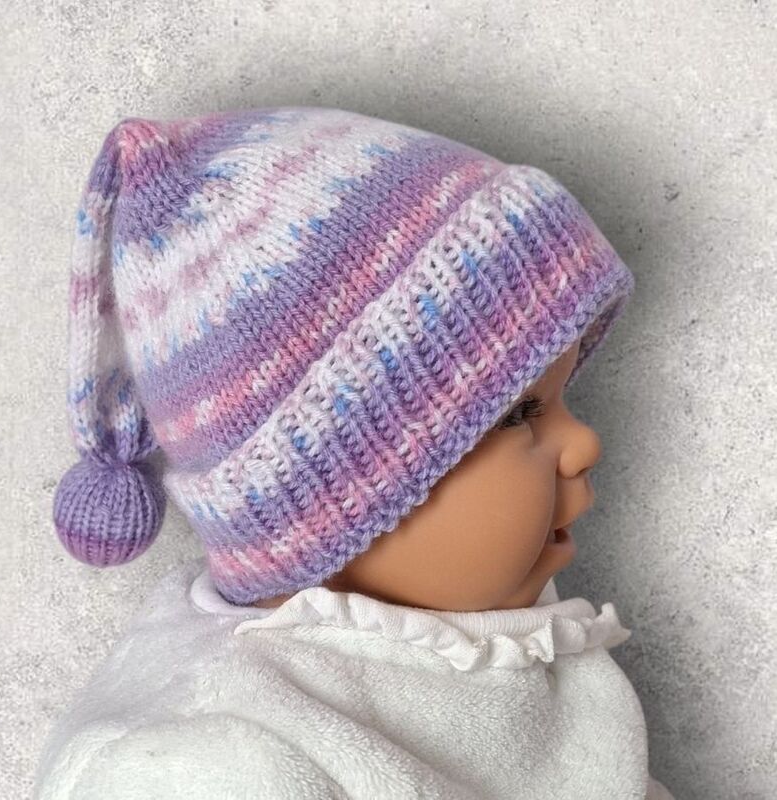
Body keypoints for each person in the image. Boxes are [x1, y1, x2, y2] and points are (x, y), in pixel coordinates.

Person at [35, 106, 674, 799]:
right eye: (520, 414)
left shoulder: (489, 641)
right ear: (326, 507)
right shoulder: (203, 769)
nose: (585, 443)